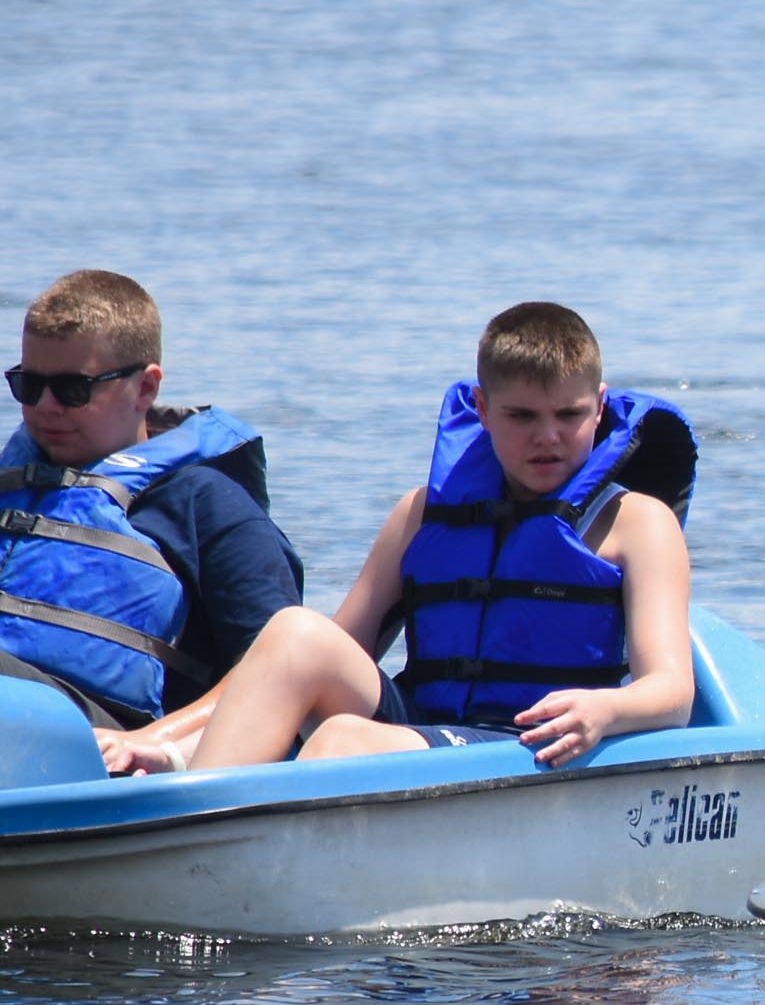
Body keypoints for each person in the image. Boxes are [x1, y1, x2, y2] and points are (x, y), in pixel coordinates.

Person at [158, 302, 698, 772]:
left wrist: (603, 711)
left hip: (532, 744)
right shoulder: (421, 515)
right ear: (483, 410)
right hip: (427, 730)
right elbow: (292, 667)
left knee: (345, 740)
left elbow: (672, 693)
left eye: (569, 414)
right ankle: (186, 809)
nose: (548, 436)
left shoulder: (640, 523)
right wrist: (162, 740)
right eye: (522, 416)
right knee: (295, 631)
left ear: (600, 406)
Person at [2, 270, 304, 749]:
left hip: (101, 740)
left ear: (146, 388)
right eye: (29, 385)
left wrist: (152, 741)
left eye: (72, 389)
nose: (45, 407)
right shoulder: (9, 487)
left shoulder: (208, 507)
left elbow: (285, 672)